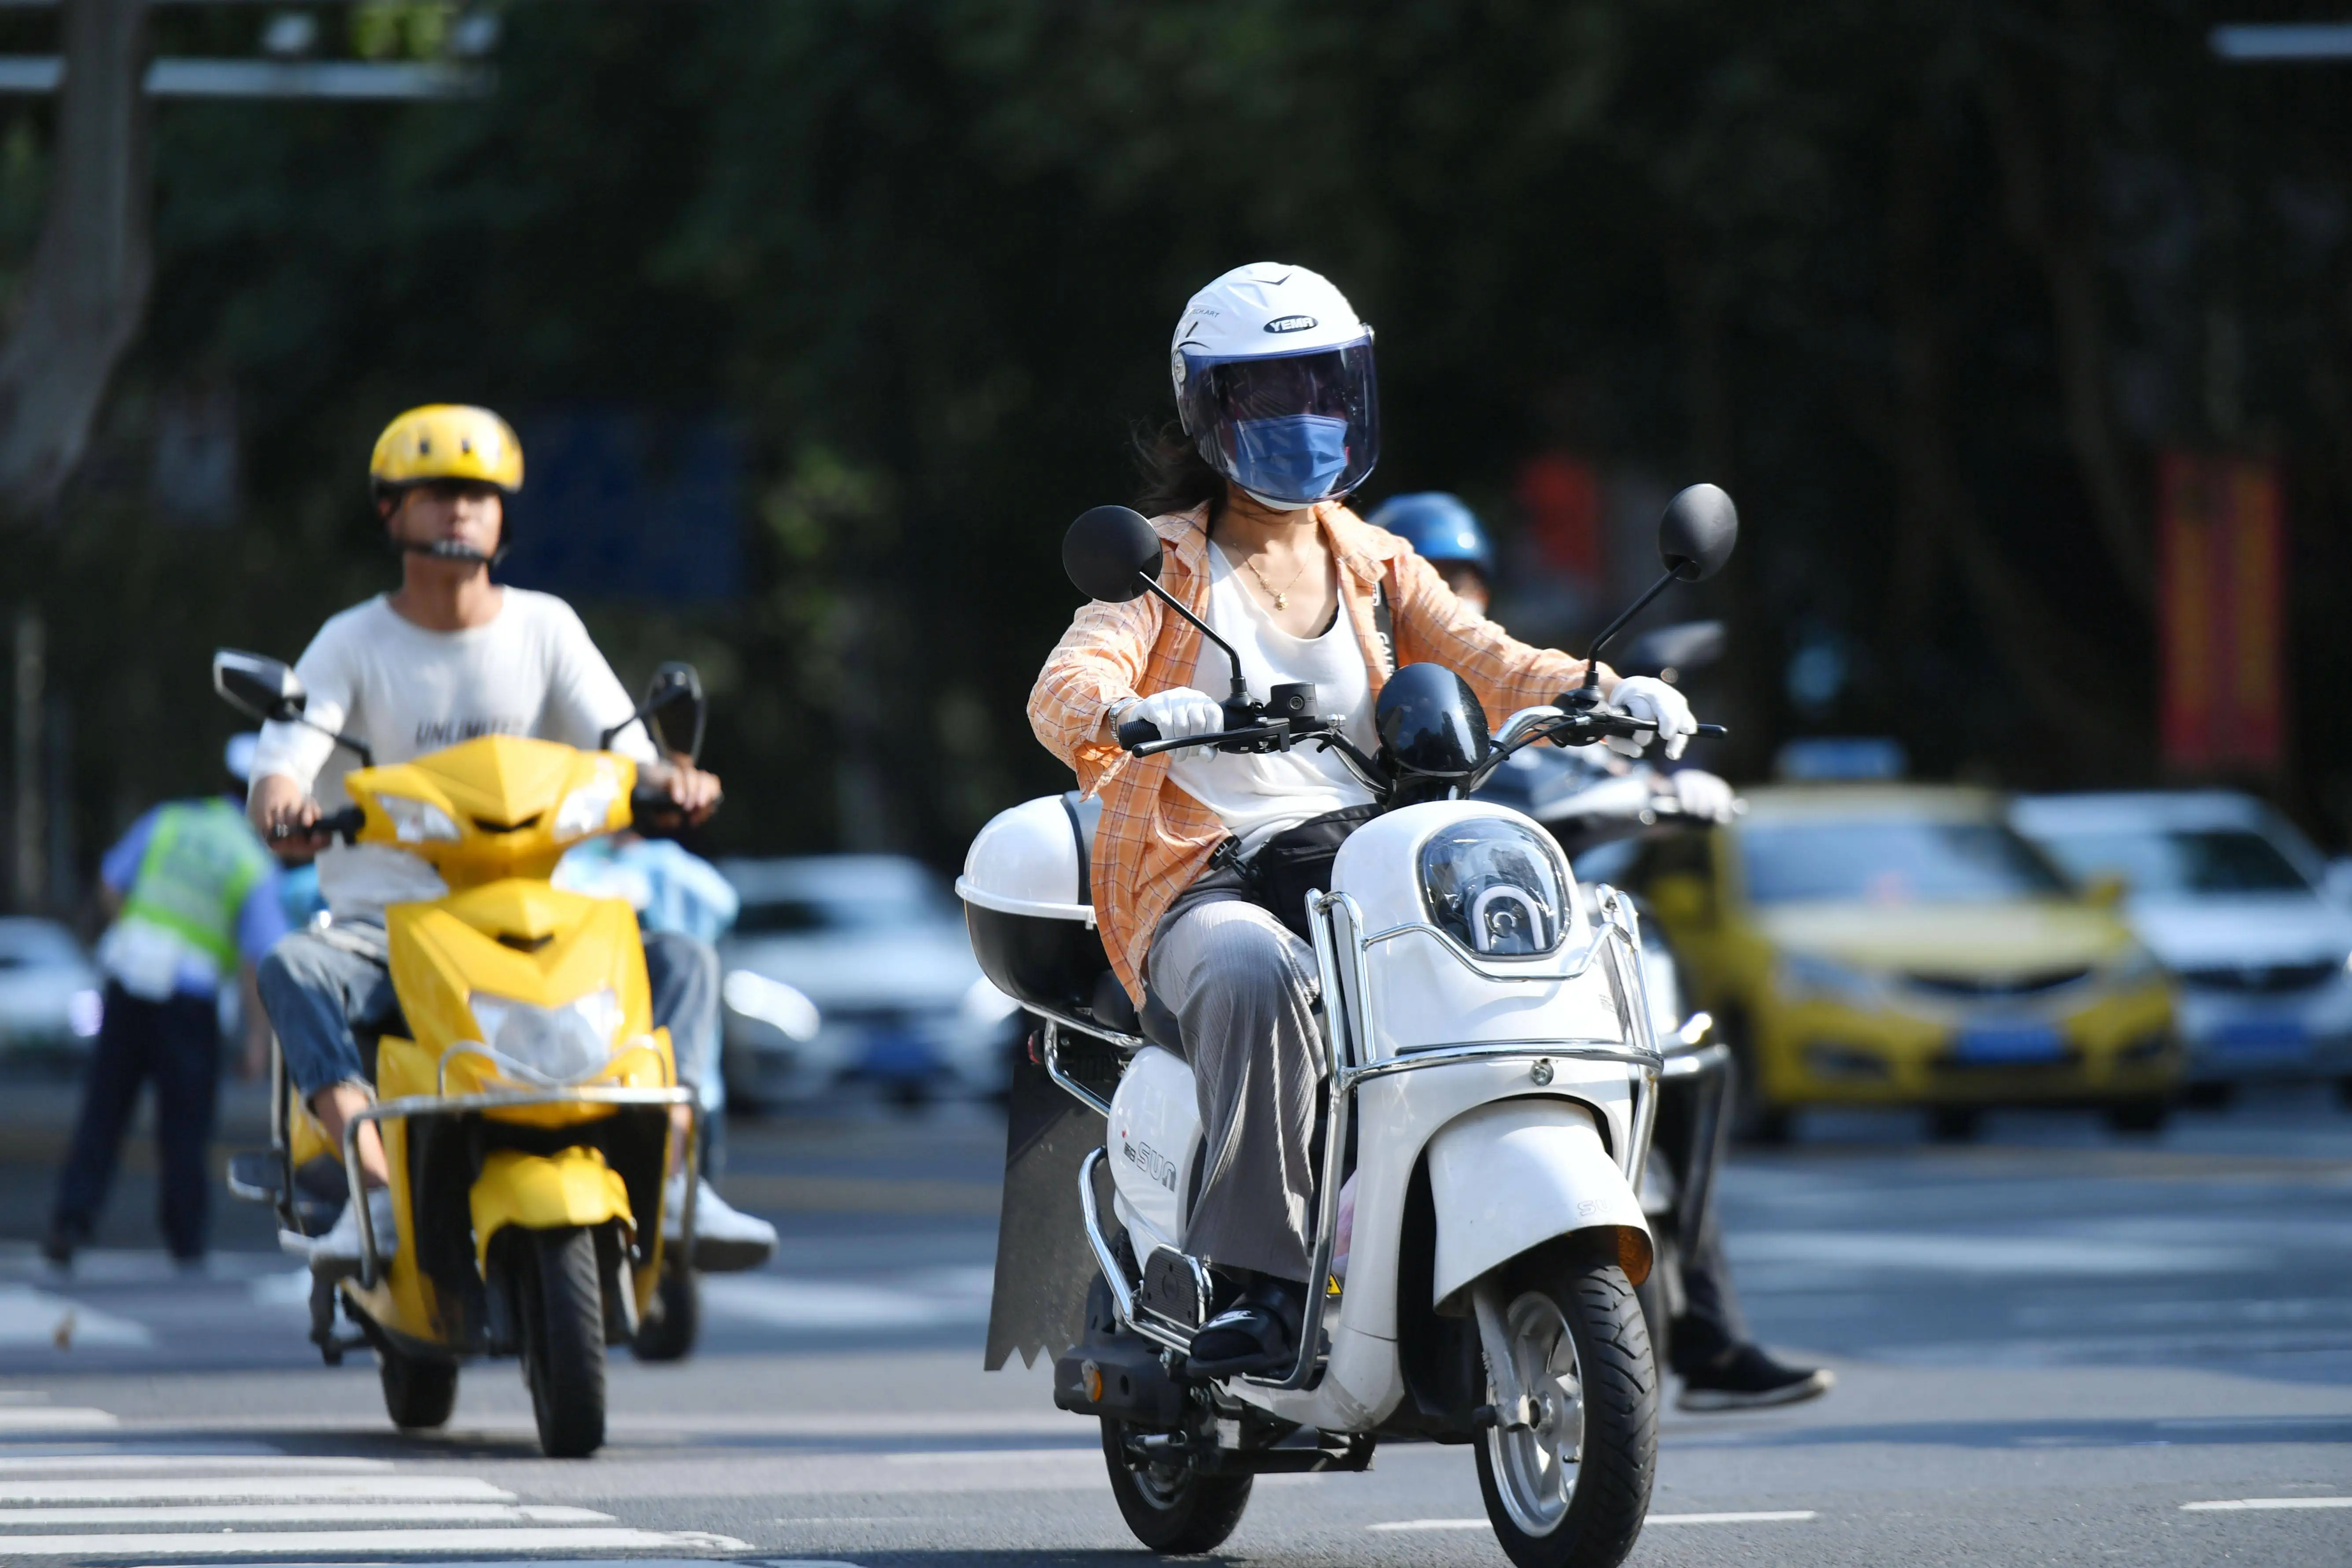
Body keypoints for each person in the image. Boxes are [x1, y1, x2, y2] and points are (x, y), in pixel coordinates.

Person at [1028, 263, 1697, 1375]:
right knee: (1250, 973)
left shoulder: (1379, 561)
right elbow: (1065, 686)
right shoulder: (1165, 562)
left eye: (1323, 385)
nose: (1304, 415)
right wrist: (1134, 706)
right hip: (1212, 876)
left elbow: (1494, 660)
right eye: (1268, 390)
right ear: (1209, 409)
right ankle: (1256, 1278)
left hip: (1367, 859)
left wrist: (1605, 692)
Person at [247, 403, 774, 1271]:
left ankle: (682, 1178)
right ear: (391, 510)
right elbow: (287, 760)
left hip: (535, 914)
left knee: (683, 959)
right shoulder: (350, 642)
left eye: (481, 494)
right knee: (292, 966)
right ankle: (370, 1186)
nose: (461, 509)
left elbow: (629, 754)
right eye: (438, 492)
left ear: (505, 515)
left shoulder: (546, 627)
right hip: (387, 926)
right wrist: (281, 807)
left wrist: (675, 779)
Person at [1375, 491, 1831, 1411]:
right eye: (1430, 586)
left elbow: (1597, 764)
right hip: (1411, 966)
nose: (1449, 604)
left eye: (1462, 583)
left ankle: (1705, 1329)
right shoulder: (1363, 714)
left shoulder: (1517, 706)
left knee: (1684, 1055)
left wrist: (1664, 776)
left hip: (1540, 944)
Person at [45, 736, 285, 1268]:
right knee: (186, 1126)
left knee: (103, 1111)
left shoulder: (170, 822)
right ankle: (186, 1240)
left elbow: (110, 887)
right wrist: (256, 1041)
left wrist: (134, 934)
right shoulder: (253, 863)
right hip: (189, 999)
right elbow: (255, 962)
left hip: (130, 979)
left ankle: (71, 1222)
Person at [555, 829, 740, 1180]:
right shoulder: (570, 864)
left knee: (689, 960)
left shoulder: (661, 865)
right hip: (576, 1067)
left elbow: (721, 903)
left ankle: (673, 1180)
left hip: (661, 1081)